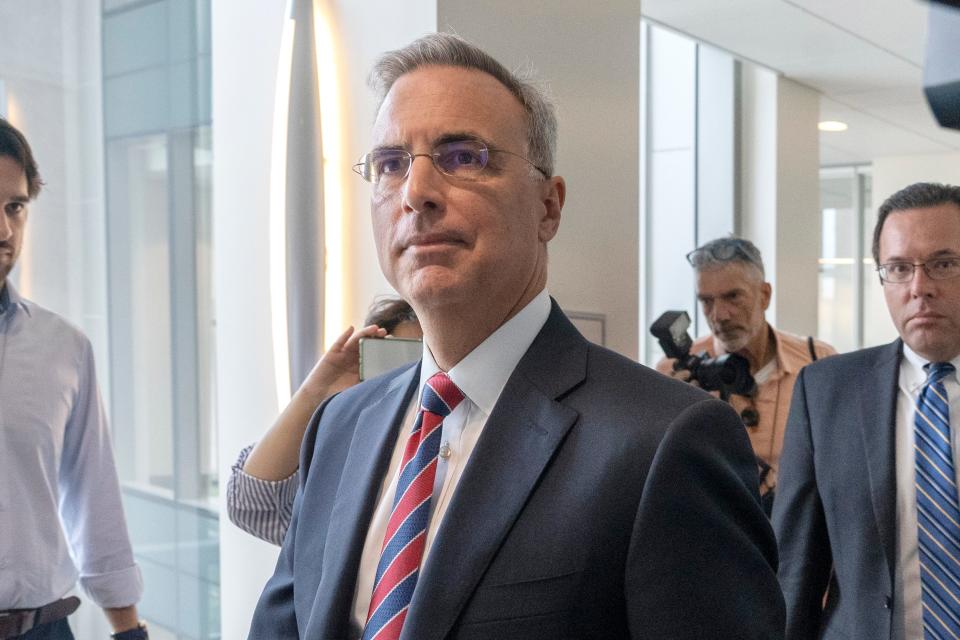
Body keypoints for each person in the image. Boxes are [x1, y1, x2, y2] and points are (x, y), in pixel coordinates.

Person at [249, 33, 783, 639]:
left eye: (462, 156)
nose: (415, 193)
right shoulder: (342, 425)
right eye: (391, 163)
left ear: (548, 207)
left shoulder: (663, 441)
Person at [774, 182, 960, 639]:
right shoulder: (826, 391)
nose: (920, 288)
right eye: (898, 268)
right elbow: (796, 568)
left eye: (943, 264)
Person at [0, 119, 147, 639]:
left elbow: (93, 497)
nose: (4, 231)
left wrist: (128, 631)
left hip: (42, 628)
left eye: (15, 207)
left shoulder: (63, 348)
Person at [656, 237, 835, 512]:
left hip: (796, 535)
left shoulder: (818, 361)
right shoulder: (676, 372)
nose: (719, 315)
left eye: (733, 297)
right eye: (706, 301)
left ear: (764, 295)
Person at [227, 298, 421, 544]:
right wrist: (317, 390)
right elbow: (253, 505)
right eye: (398, 361)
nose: (421, 380)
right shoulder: (351, 466)